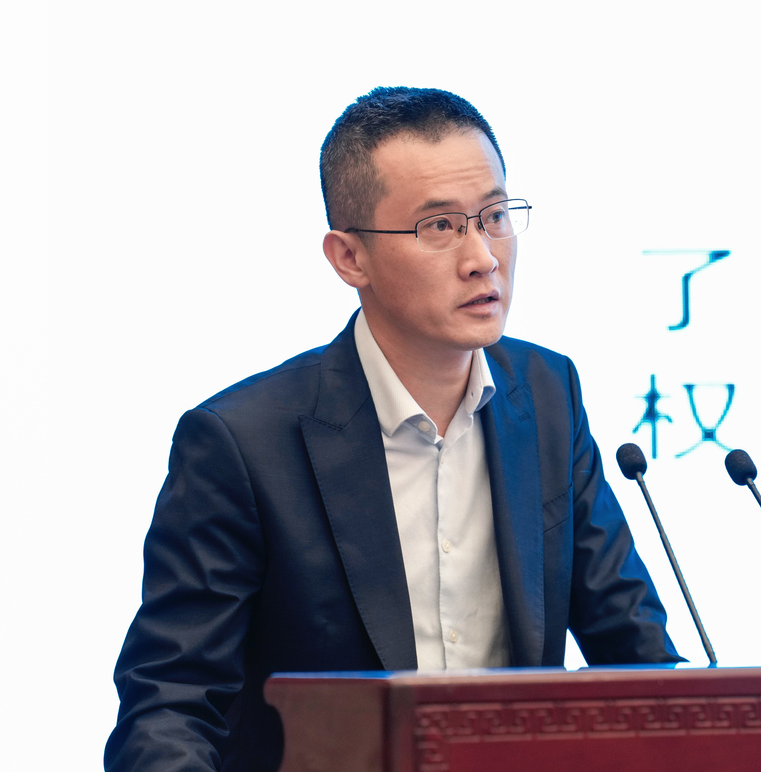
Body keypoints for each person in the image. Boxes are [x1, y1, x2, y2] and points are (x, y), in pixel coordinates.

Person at [105, 87, 682, 772]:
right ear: (350, 258)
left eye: (496, 216)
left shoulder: (549, 398)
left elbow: (637, 658)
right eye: (440, 226)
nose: (483, 257)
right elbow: (170, 704)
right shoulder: (241, 444)